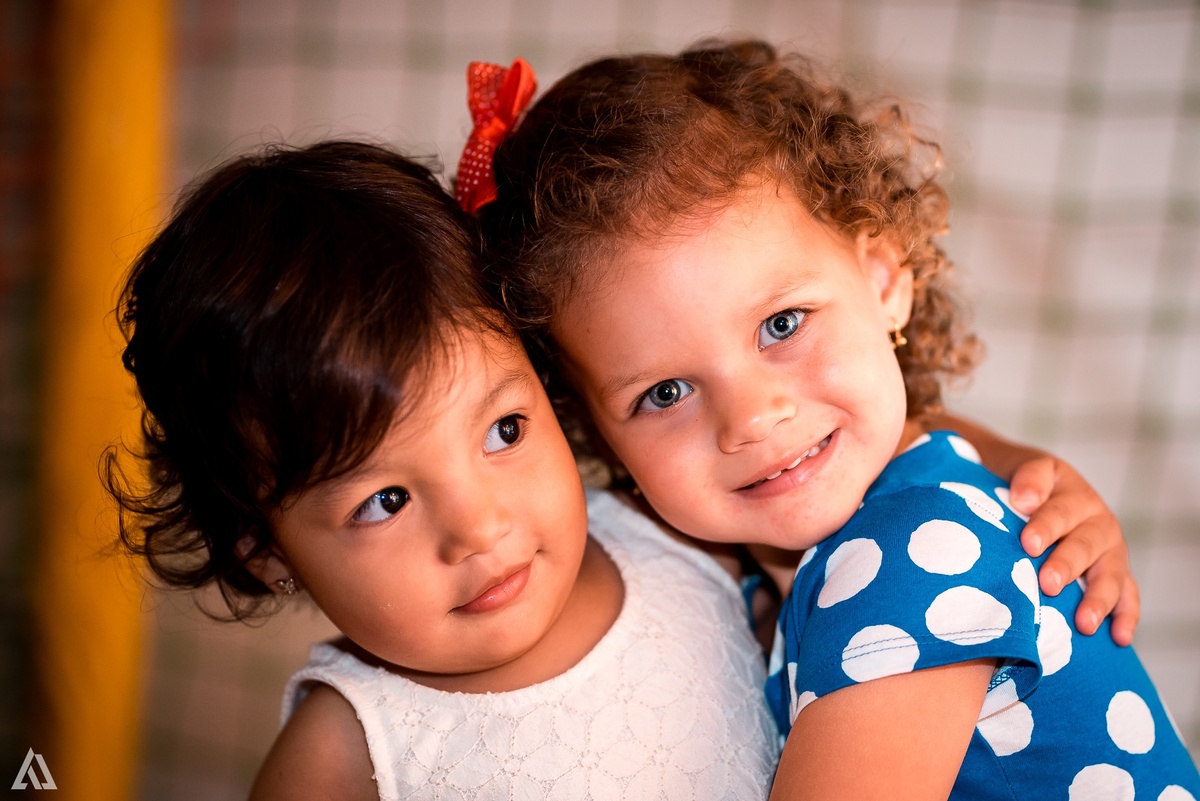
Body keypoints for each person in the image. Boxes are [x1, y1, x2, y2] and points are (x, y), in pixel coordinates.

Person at [477, 40, 1199, 799]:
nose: (753, 418)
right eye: (664, 393)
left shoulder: (907, 562)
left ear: (884, 281)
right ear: (591, 431)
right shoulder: (778, 552)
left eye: (783, 324)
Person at [104, 141, 782, 801]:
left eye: (504, 430)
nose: (481, 528)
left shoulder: (683, 539)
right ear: (262, 548)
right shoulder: (341, 759)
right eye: (386, 499)